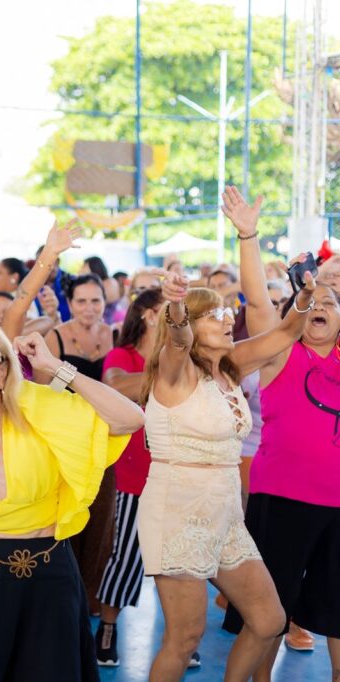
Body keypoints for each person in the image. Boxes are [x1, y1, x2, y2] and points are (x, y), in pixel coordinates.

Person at [0, 317, 142, 681]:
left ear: (3, 371)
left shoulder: (38, 411)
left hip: (48, 590)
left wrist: (54, 367)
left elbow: (130, 417)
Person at [138, 249, 317, 680]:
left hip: (224, 515)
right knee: (184, 638)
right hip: (178, 510)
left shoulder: (231, 365)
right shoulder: (173, 370)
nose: (225, 318)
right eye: (213, 313)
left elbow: (290, 330)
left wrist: (306, 291)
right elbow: (178, 339)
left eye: (225, 311)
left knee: (270, 619)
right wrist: (177, 306)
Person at [218, 187, 340, 680]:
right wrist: (248, 234)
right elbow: (255, 299)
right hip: (282, 499)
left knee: (338, 614)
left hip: (338, 506)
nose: (322, 305)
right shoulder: (282, 353)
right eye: (313, 299)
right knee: (267, 618)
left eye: (332, 300)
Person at [94, 287, 164, 666]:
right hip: (136, 472)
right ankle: (107, 627)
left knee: (179, 560)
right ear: (150, 315)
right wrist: (170, 370)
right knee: (127, 558)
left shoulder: (184, 358)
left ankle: (181, 634)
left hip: (177, 472)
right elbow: (115, 388)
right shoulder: (124, 356)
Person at [45, 272, 116, 611]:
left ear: (106, 303)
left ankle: (92, 596)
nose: (89, 308)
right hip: (67, 441)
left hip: (107, 439)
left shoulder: (115, 335)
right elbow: (46, 394)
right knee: (68, 518)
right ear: (70, 304)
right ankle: (62, 595)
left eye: (96, 301)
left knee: (102, 520)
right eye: (82, 301)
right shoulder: (55, 338)